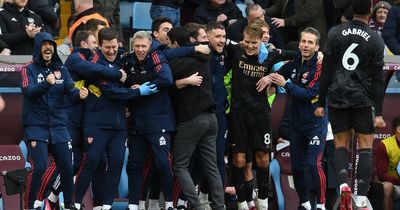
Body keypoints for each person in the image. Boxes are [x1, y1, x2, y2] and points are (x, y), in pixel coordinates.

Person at [72, 28, 157, 210]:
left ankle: (106, 206)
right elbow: (110, 92)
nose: (111, 51)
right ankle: (75, 203)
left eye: (114, 47)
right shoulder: (96, 63)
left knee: (117, 164)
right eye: (106, 47)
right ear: (99, 46)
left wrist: (135, 85)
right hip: (96, 123)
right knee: (92, 162)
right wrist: (136, 92)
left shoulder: (120, 61)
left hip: (119, 126)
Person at [315, 0, 386, 209]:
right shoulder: (375, 39)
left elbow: (326, 72)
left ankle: (344, 185)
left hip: (338, 97)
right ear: (371, 12)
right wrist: (379, 112)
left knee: (340, 145)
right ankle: (362, 198)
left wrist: (321, 102)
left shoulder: (335, 33)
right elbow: (378, 79)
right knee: (365, 148)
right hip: (362, 99)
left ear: (352, 10)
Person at [21, 32, 88, 210]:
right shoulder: (28, 68)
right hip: (36, 126)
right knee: (40, 167)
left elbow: (71, 92)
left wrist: (79, 95)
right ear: (38, 47)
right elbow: (28, 91)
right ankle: (30, 206)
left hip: (58, 126)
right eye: (44, 45)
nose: (48, 48)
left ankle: (68, 204)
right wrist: (46, 83)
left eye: (51, 45)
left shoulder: (62, 70)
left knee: (68, 166)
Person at [269, 27, 327, 210]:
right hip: (296, 124)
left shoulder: (320, 66)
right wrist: (267, 80)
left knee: (313, 164)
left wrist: (284, 84)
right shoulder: (295, 62)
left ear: (317, 46)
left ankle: (322, 205)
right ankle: (305, 204)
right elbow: (279, 74)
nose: (306, 45)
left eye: (310, 42)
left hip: (315, 124)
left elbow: (308, 94)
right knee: (297, 168)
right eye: (304, 41)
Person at [167, 26, 225, 210]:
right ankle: (220, 206)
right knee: (212, 167)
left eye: (169, 44)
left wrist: (177, 83)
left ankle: (196, 205)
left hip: (191, 120)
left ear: (175, 44)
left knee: (180, 165)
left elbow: (161, 75)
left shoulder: (173, 64)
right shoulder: (202, 57)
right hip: (211, 119)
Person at [124, 30, 175, 210]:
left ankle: (169, 204)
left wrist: (145, 87)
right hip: (137, 123)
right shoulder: (127, 61)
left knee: (162, 163)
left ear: (149, 45)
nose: (140, 50)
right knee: (134, 165)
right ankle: (134, 206)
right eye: (137, 46)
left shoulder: (156, 56)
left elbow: (166, 79)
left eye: (143, 46)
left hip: (158, 120)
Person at [225, 24, 272, 210]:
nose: (250, 46)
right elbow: (215, 38)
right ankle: (242, 202)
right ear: (242, 40)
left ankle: (263, 202)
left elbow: (294, 56)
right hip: (238, 115)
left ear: (261, 41)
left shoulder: (270, 55)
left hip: (260, 115)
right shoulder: (236, 50)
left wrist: (272, 78)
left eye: (254, 42)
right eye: (247, 42)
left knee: (263, 159)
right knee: (239, 160)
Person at [376, 115, 400, 210]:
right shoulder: (385, 145)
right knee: (387, 187)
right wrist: (397, 181)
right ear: (397, 129)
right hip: (393, 183)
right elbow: (381, 174)